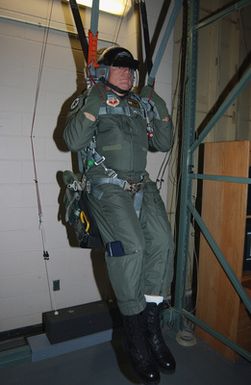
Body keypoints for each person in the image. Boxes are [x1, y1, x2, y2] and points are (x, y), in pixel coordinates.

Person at [63, 46, 175, 385]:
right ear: (104, 70)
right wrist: (95, 96)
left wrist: (158, 103)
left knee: (163, 243)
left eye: (131, 68)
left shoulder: (140, 105)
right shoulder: (91, 99)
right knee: (132, 247)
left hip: (141, 185)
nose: (127, 73)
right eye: (119, 66)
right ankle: (134, 333)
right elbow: (70, 140)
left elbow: (165, 142)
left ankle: (152, 327)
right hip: (106, 186)